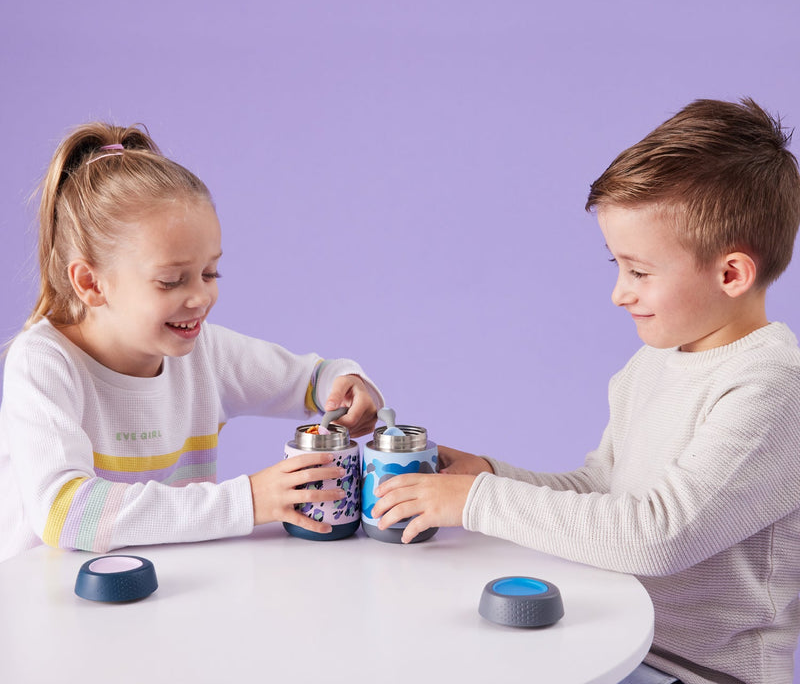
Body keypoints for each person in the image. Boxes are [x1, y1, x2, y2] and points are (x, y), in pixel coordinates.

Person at [373, 98, 800, 684]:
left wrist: (475, 502)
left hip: (700, 670)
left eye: (639, 271)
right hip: (619, 642)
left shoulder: (773, 389)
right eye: (616, 266)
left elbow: (657, 536)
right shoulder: (652, 364)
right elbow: (603, 490)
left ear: (730, 274)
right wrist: (488, 475)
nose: (619, 293)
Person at [0, 122, 382, 563]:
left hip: (160, 595)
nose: (201, 297)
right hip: (51, 609)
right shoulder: (44, 364)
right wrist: (248, 500)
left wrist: (348, 381)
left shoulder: (207, 355)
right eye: (171, 281)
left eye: (210, 273)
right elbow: (66, 514)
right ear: (91, 283)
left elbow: (313, 379)